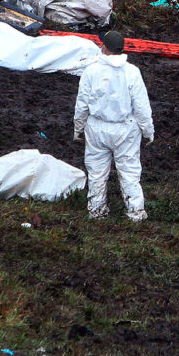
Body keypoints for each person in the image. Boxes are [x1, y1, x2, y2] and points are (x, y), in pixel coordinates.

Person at [73, 30, 155, 221]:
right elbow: (141, 106)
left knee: (96, 171)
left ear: (105, 47)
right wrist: (148, 131)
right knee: (129, 171)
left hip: (96, 128)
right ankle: (135, 213)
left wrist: (78, 129)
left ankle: (97, 211)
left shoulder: (91, 71)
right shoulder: (132, 72)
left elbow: (82, 104)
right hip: (126, 130)